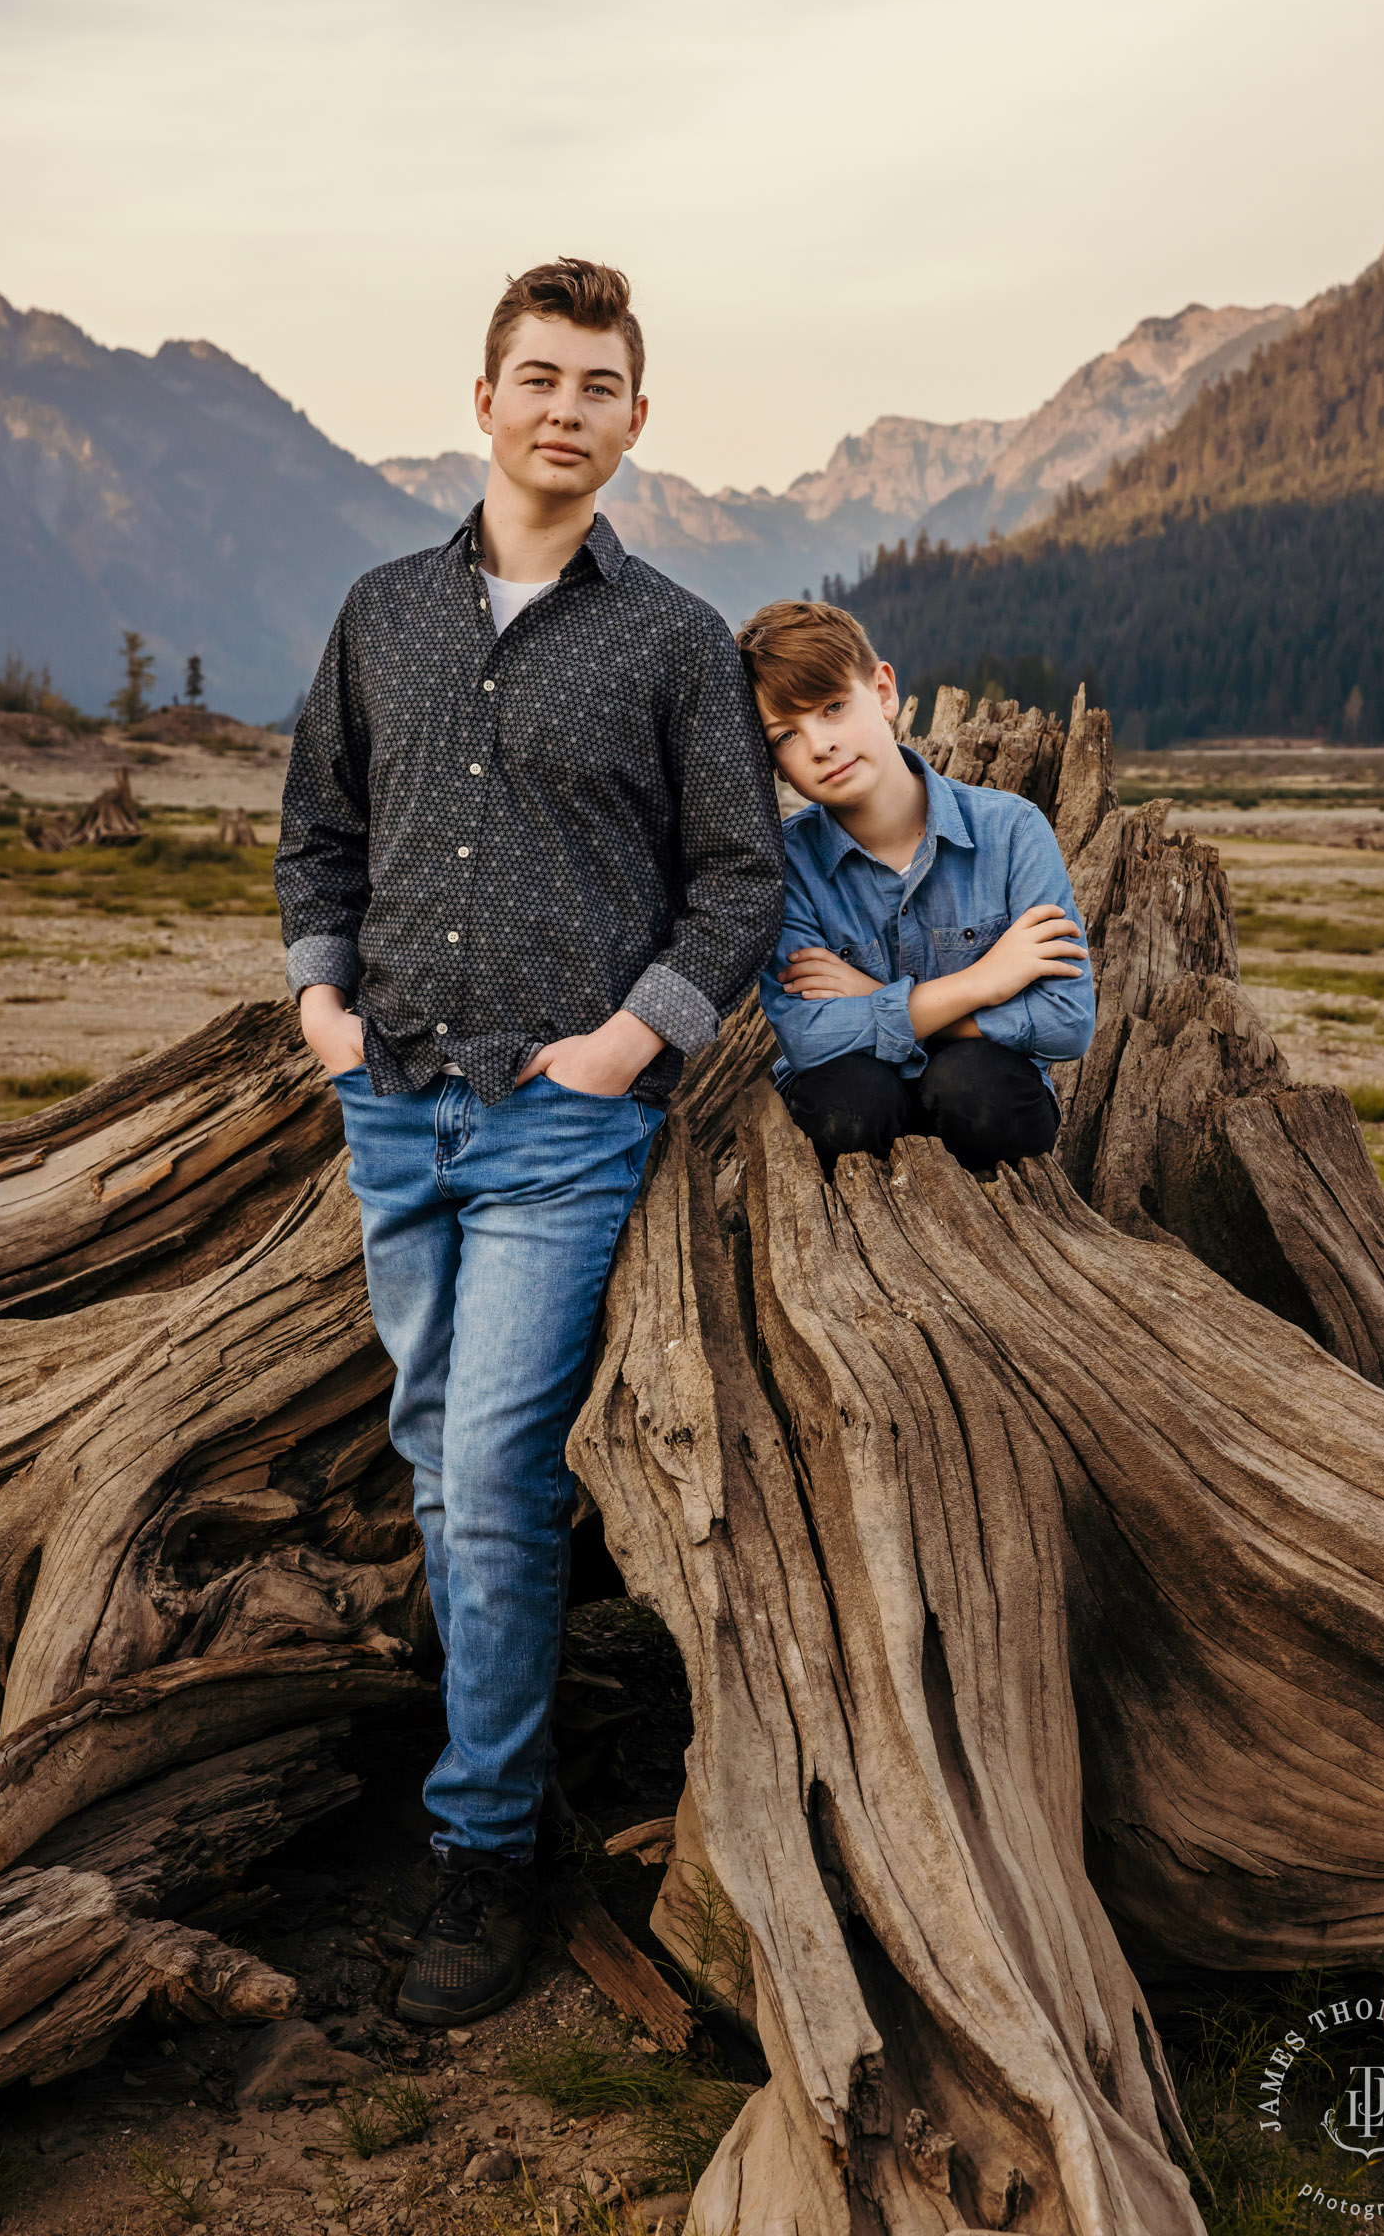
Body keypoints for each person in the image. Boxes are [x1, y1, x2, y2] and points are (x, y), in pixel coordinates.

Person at [275, 259, 784, 2027]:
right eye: (537, 377)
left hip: (560, 1131)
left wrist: (628, 1046)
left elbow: (739, 878)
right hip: (390, 1107)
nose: (564, 409)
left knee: (487, 1477)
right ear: (482, 399)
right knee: (438, 1461)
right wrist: (321, 1010)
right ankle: (527, 1760)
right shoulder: (379, 614)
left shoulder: (671, 641)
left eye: (598, 385)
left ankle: (481, 1849)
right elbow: (316, 837)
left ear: (636, 423)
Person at [737, 599, 1093, 1177]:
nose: (819, 745)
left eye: (833, 707)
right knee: (846, 1104)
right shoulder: (784, 865)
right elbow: (806, 1038)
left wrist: (868, 994)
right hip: (857, 1109)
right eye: (785, 736)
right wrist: (983, 982)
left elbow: (1067, 1021)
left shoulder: (1013, 831)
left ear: (882, 691)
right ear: (773, 763)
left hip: (983, 1104)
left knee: (976, 1087)